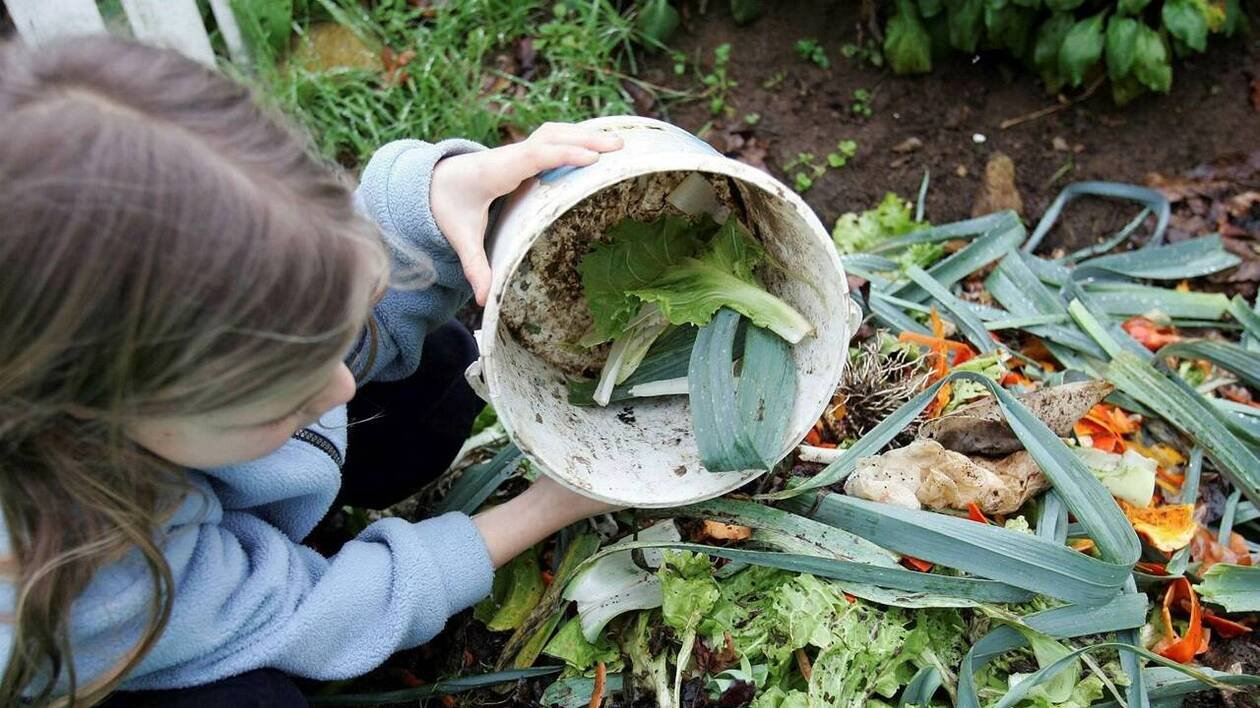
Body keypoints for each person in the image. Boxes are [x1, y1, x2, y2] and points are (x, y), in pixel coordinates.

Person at [0, 35, 622, 707]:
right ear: (100, 409)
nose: (342, 388)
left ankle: (281, 504)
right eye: (282, 392)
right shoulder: (87, 577)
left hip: (208, 481)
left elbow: (332, 267)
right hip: (136, 635)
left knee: (436, 371)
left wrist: (434, 200)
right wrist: (553, 503)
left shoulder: (154, 328)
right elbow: (310, 613)